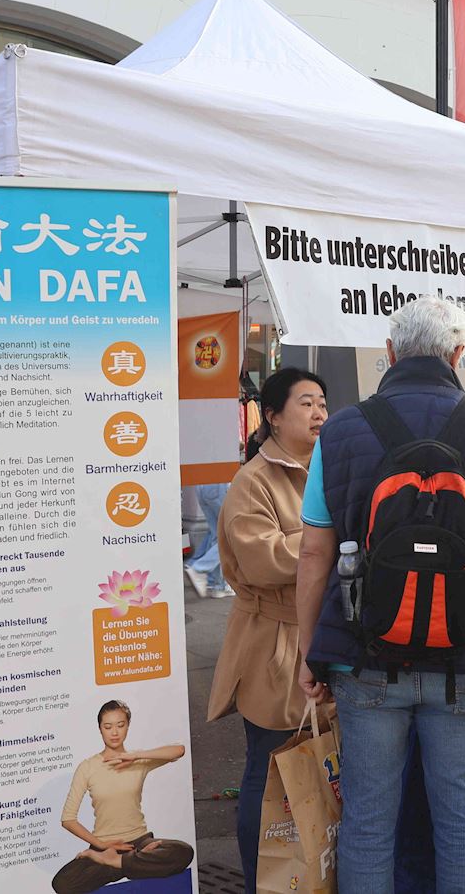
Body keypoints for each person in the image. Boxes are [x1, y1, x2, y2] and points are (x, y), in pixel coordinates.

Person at [295, 296, 465, 894]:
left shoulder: (341, 432)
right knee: (463, 818)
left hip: (365, 657)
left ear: (388, 354)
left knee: (367, 822)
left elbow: (314, 554)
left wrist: (312, 651)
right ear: (458, 355)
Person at [207, 367, 328, 893]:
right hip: (274, 643)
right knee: (269, 764)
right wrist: (325, 538)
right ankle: (262, 880)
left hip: (322, 637)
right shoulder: (253, 480)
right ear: (273, 416)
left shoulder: (329, 467)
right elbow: (263, 560)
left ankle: (306, 874)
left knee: (318, 766)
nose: (319, 412)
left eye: (322, 402)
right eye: (305, 403)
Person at [53, 701, 194, 894]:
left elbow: (179, 750)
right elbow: (68, 819)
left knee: (182, 852)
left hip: (140, 842)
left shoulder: (138, 761)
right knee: (63, 883)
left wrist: (135, 756)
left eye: (120, 725)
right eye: (108, 726)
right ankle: (129, 864)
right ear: (100, 729)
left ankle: (117, 864)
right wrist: (101, 846)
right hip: (105, 846)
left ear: (128, 726)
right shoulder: (87, 767)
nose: (114, 732)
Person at [184, 483, 233, 598]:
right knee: (230, 536)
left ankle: (216, 585)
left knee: (217, 534)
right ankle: (200, 569)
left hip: (202, 485)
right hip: (220, 483)